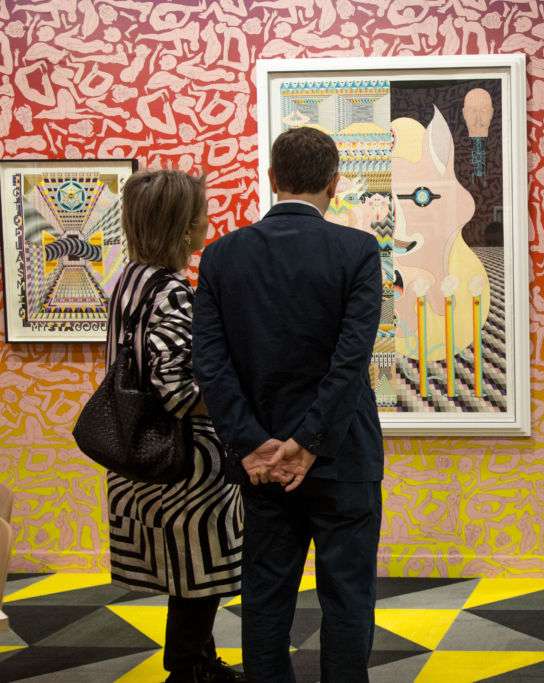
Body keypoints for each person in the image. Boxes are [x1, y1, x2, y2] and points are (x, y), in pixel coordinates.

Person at [194, 127, 384, 683]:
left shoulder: (222, 256)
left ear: (273, 178)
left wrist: (255, 443)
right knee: (348, 598)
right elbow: (349, 363)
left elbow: (211, 364)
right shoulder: (357, 251)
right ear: (334, 181)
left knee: (266, 597)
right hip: (343, 456)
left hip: (261, 465)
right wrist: (309, 443)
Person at [105, 170, 244, 683]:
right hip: (185, 464)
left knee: (181, 571)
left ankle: (195, 660)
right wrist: (237, 400)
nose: (208, 220)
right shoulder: (171, 292)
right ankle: (188, 668)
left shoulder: (126, 281)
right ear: (183, 227)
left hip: (138, 452)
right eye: (201, 213)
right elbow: (180, 391)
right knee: (196, 575)